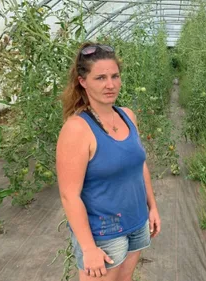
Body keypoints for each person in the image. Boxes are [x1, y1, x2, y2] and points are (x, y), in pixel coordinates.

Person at [56, 42, 161, 281]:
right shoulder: (78, 129)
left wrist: (152, 207)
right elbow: (69, 195)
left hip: (137, 222)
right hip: (104, 232)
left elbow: (139, 166)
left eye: (115, 76)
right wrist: (89, 248)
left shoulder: (127, 116)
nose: (110, 84)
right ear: (83, 82)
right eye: (100, 78)